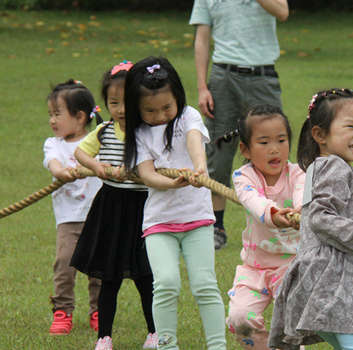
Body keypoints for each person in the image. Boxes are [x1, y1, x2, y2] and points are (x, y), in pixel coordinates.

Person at [268, 88, 353, 350]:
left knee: (348, 344)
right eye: (350, 127)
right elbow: (322, 218)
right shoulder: (335, 167)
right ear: (319, 134)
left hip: (317, 271)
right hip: (330, 274)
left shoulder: (323, 166)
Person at [122, 56, 227, 350]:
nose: (160, 116)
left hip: (198, 219)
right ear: (137, 109)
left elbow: (194, 140)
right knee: (166, 284)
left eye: (167, 107)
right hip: (159, 222)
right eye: (150, 110)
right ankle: (167, 345)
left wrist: (199, 167)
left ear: (178, 98)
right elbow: (146, 175)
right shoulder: (140, 133)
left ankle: (217, 346)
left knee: (205, 285)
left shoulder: (188, 116)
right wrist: (172, 183)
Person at [70, 61, 157, 350]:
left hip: (144, 210)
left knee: (146, 276)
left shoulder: (149, 132)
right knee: (109, 277)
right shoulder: (105, 131)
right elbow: (79, 152)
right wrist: (96, 166)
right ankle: (104, 337)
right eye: (113, 102)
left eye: (127, 102)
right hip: (111, 208)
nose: (120, 110)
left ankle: (154, 333)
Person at [190, 0, 289, 250]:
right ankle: (216, 226)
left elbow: (283, 12)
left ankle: (273, 222)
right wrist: (203, 87)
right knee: (218, 152)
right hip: (223, 77)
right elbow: (201, 39)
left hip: (263, 76)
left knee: (271, 150)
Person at [216, 104, 305, 349]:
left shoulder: (299, 173)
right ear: (245, 149)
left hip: (293, 267)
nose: (274, 149)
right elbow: (253, 201)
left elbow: (302, 193)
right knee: (239, 318)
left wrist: (299, 210)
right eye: (264, 142)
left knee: (291, 325)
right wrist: (274, 215)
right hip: (254, 267)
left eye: (281, 140)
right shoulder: (243, 176)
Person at [43, 79, 103, 335]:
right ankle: (63, 311)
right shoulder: (53, 143)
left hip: (99, 215)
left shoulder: (99, 141)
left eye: (57, 114)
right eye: (50, 114)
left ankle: (99, 311)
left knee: (98, 268)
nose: (52, 120)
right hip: (69, 219)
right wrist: (62, 172)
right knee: (64, 263)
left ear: (80, 117)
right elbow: (53, 163)